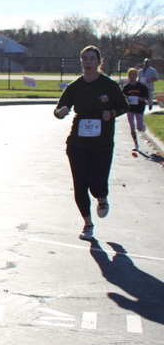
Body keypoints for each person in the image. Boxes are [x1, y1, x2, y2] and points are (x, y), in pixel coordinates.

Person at [54, 46, 128, 241]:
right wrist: (61, 112)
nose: (88, 62)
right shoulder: (75, 86)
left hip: (102, 143)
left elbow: (124, 105)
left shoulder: (109, 85)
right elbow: (59, 109)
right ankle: (87, 224)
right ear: (81, 61)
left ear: (98, 62)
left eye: (92, 59)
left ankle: (101, 198)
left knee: (97, 185)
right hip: (77, 143)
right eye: (85, 58)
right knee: (80, 185)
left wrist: (111, 113)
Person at [122, 68, 150, 150]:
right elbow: (123, 97)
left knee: (139, 128)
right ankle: (136, 144)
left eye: (134, 74)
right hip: (130, 108)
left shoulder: (141, 87)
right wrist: (127, 100)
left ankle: (142, 126)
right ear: (128, 76)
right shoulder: (126, 87)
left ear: (136, 76)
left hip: (139, 108)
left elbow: (146, 96)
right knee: (132, 126)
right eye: (130, 75)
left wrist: (142, 99)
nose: (132, 76)